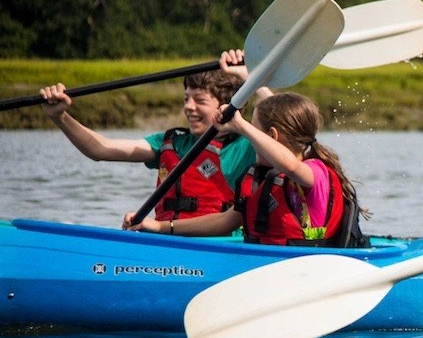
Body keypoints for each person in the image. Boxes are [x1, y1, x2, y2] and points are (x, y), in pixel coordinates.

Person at [40, 50, 267, 222]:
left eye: (199, 100)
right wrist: (60, 117)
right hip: (166, 242)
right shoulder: (171, 142)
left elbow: (281, 127)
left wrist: (253, 79)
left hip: (218, 246)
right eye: (186, 98)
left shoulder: (247, 145)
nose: (188, 107)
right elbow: (100, 149)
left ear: (227, 105)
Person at [124, 91, 367, 246]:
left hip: (304, 268)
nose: (249, 141)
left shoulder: (314, 172)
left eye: (254, 131)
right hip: (265, 265)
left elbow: (290, 164)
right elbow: (225, 221)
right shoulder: (262, 179)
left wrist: (240, 125)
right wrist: (159, 227)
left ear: (271, 136)